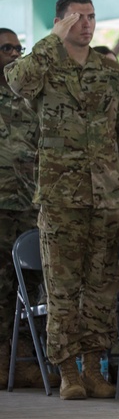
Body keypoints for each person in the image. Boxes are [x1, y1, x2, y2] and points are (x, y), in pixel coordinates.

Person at [6, 0, 119, 400]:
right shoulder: (45, 65)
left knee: (102, 285)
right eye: (77, 18)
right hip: (62, 195)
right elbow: (17, 81)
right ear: (60, 21)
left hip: (107, 195)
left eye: (92, 17)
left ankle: (95, 366)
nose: (86, 24)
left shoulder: (107, 72)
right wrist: (51, 39)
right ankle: (67, 370)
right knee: (62, 288)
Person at [0, 28, 46, 389]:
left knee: (29, 285)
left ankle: (26, 358)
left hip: (28, 205)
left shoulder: (30, 96)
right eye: (6, 48)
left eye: (19, 48)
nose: (14, 54)